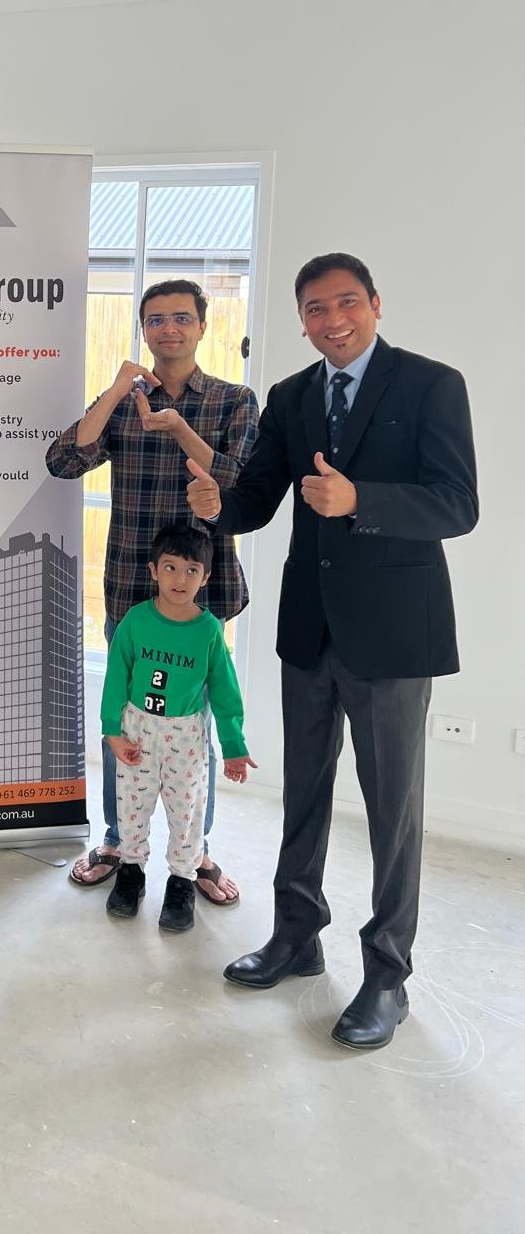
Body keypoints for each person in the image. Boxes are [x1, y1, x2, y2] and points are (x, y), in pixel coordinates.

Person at [186, 253, 478, 1051]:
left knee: (392, 812)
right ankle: (296, 936)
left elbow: (458, 505)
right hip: (310, 632)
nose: (333, 320)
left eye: (347, 302)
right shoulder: (292, 396)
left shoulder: (432, 385)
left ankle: (387, 976)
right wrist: (216, 505)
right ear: (303, 320)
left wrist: (361, 501)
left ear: (376, 304)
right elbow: (255, 499)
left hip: (395, 636)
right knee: (304, 794)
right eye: (316, 309)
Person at [46, 278, 259, 904]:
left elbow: (241, 482)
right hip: (131, 592)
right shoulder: (125, 400)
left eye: (182, 318)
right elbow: (63, 461)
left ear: (202, 326)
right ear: (144, 330)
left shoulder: (233, 400)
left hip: (200, 596)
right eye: (157, 319)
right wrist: (116, 392)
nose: (170, 329)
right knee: (126, 722)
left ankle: (195, 853)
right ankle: (119, 842)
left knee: (194, 730)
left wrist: (178, 428)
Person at [103, 526, 256, 933]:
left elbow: (224, 690)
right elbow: (116, 677)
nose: (180, 579)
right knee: (132, 807)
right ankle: (131, 871)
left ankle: (181, 882)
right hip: (136, 732)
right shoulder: (135, 621)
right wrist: (112, 730)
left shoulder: (207, 631)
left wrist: (234, 745)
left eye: (191, 570)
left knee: (186, 813)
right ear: (154, 570)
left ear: (205, 578)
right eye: (170, 567)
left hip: (185, 737)